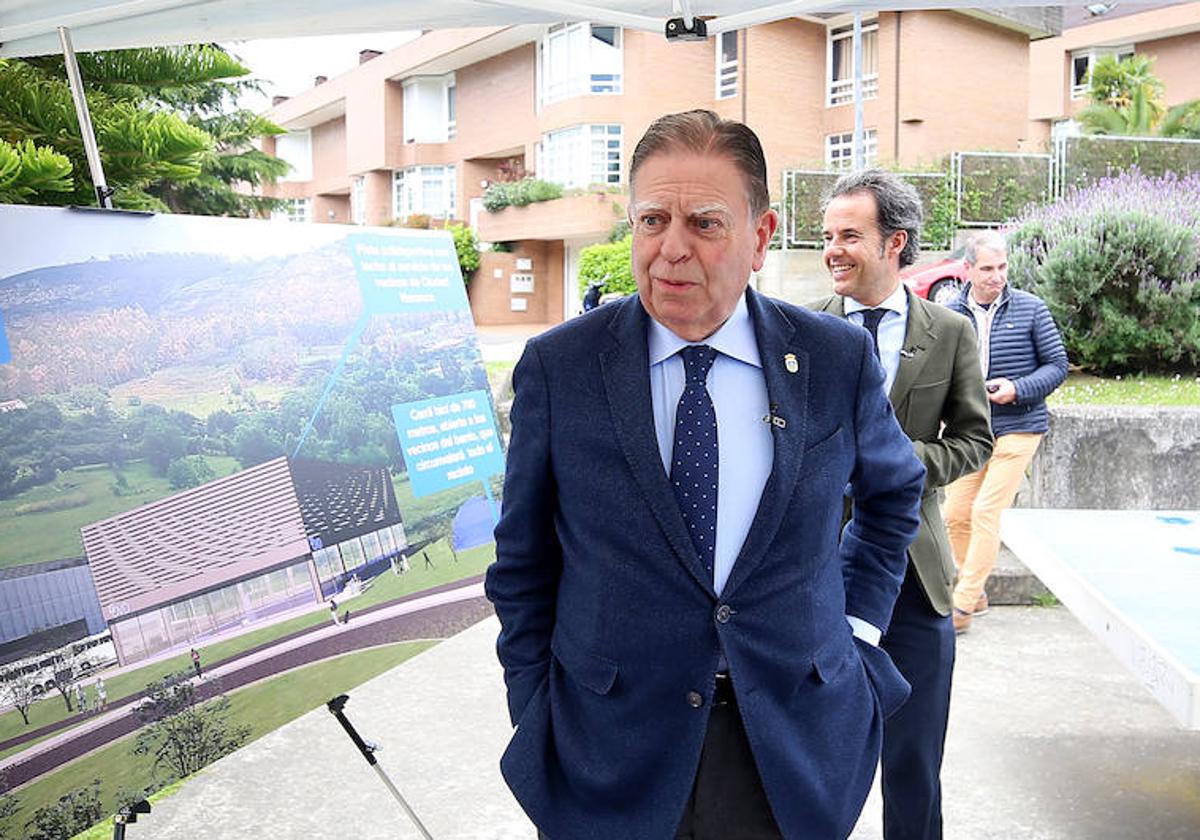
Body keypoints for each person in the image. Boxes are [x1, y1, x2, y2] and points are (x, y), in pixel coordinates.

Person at [485, 110, 926, 840]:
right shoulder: (560, 369)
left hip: (792, 745)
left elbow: (894, 494)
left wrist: (858, 632)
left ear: (760, 236)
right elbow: (522, 563)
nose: (671, 250)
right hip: (608, 751)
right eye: (652, 219)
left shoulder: (833, 360)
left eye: (705, 223)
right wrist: (536, 706)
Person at [809, 169, 994, 840]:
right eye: (828, 236)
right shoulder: (799, 331)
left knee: (914, 758)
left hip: (915, 579)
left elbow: (975, 441)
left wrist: (902, 464)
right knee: (809, 757)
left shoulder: (949, 332)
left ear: (896, 243)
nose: (833, 249)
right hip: (815, 574)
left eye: (850, 235)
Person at [943, 231, 1068, 633]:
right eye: (987, 268)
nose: (996, 276)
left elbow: (1057, 366)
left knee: (985, 512)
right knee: (954, 514)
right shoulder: (949, 312)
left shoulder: (1031, 309)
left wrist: (1018, 389)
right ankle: (975, 589)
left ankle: (962, 604)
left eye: (1002, 267)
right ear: (968, 270)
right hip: (969, 430)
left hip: (1019, 427)